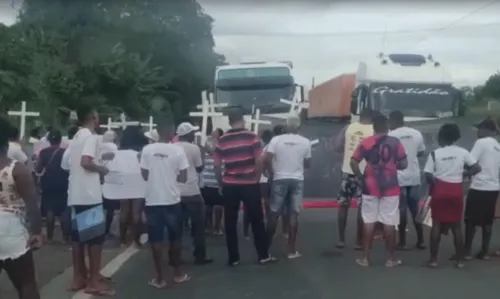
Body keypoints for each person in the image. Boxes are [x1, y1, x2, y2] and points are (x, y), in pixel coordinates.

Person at [214, 109, 275, 266]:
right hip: (249, 184)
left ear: (229, 121)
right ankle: (263, 255)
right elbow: (259, 160)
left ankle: (233, 257)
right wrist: (256, 177)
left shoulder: (222, 140)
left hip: (230, 184)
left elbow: (216, 164)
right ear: (243, 120)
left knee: (230, 221)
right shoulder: (252, 138)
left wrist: (220, 181)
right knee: (257, 220)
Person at [65, 106, 114, 296]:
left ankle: (79, 277)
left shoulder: (77, 137)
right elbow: (86, 162)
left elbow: (68, 162)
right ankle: (93, 280)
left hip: (75, 194)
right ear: (94, 118)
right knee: (95, 240)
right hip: (89, 194)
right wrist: (102, 170)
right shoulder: (92, 137)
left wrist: (99, 160)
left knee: (78, 238)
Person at [350, 114, 407, 267]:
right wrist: (393, 166)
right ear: (387, 127)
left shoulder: (366, 142)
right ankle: (390, 258)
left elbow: (353, 161)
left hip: (370, 185)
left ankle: (365, 258)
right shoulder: (395, 142)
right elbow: (404, 164)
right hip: (391, 187)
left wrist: (361, 176)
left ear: (374, 128)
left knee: (368, 221)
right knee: (389, 221)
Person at [140, 118, 190, 288]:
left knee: (156, 240)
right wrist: (171, 177)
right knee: (175, 238)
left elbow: (145, 175)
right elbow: (184, 177)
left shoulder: (147, 150)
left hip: (153, 200)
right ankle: (178, 273)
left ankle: (160, 278)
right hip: (172, 199)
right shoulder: (178, 151)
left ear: (157, 132)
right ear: (171, 132)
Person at [423, 123, 480, 268]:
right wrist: (464, 174)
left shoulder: (435, 154)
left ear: (441, 137)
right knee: (456, 226)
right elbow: (477, 167)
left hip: (440, 190)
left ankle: (434, 260)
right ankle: (460, 260)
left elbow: (428, 175)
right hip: (456, 190)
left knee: (436, 224)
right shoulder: (463, 152)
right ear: (456, 137)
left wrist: (435, 182)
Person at [0, 118, 43, 299]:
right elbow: (32, 205)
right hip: (10, 231)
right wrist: (36, 232)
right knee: (26, 283)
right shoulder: (17, 169)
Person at [265, 115, 311, 258]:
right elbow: (308, 163)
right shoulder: (305, 142)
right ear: (298, 127)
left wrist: (272, 173)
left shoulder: (276, 140)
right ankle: (291, 250)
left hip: (279, 178)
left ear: (285, 126)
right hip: (297, 179)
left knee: (273, 213)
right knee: (293, 214)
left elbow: (267, 158)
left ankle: (265, 249)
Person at [334, 108, 374, 249]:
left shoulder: (348, 127)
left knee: (343, 206)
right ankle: (358, 241)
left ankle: (341, 239)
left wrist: (347, 151)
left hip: (347, 171)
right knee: (362, 208)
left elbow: (337, 146)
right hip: (364, 174)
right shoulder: (374, 130)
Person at [175, 122, 213, 265]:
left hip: (175, 192)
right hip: (191, 190)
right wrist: (202, 153)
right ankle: (200, 256)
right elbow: (199, 168)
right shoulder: (194, 148)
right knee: (198, 225)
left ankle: (175, 257)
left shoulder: (172, 148)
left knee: (176, 226)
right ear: (189, 134)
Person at [388, 111, 426, 250]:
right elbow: (421, 152)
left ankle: (402, 242)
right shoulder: (416, 133)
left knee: (401, 209)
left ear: (393, 121)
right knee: (415, 209)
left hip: (398, 176)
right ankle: (421, 240)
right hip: (414, 176)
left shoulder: (391, 136)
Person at [463, 119, 500, 259]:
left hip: (479, 186)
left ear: (487, 130)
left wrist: (463, 172)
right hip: (493, 188)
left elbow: (470, 161)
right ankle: (484, 252)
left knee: (470, 220)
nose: (478, 132)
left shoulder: (481, 142)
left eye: (480, 129)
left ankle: (466, 251)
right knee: (487, 221)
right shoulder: (498, 146)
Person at [36, 129, 70, 244]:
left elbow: (38, 169)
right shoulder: (66, 152)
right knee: (63, 211)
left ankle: (50, 238)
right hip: (63, 183)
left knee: (49, 210)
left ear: (49, 140)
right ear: (60, 140)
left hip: (48, 183)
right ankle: (66, 238)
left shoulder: (43, 152)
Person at [244, 129, 273, 239]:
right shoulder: (266, 149)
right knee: (265, 203)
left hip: (254, 179)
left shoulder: (258, 148)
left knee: (250, 206)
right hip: (261, 179)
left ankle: (247, 231)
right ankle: (265, 227)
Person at [201, 128, 225, 236]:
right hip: (211, 180)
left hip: (214, 180)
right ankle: (211, 227)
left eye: (215, 134)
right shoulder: (209, 147)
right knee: (211, 205)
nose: (212, 134)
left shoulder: (219, 147)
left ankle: (212, 227)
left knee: (215, 206)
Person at [99, 130, 119, 240]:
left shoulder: (98, 146)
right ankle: (107, 230)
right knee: (110, 208)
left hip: (97, 178)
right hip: (110, 179)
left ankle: (97, 230)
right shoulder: (114, 147)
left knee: (99, 207)